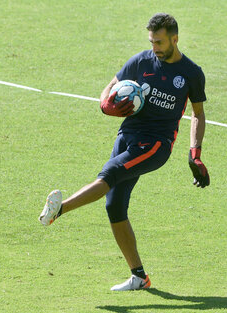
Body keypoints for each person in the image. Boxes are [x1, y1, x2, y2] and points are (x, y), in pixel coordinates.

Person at [39, 13, 210, 291]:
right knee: (114, 205)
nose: (154, 47)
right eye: (152, 41)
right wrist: (106, 105)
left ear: (174, 39)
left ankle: (59, 210)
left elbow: (198, 114)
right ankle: (139, 277)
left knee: (110, 173)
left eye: (160, 42)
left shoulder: (191, 73)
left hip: (155, 144)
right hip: (127, 136)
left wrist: (195, 152)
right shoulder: (141, 61)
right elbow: (109, 88)